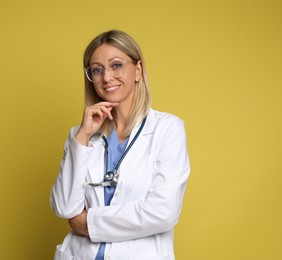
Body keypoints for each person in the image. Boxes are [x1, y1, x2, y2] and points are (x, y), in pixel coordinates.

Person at [50, 29, 190, 260]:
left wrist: (88, 224)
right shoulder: (80, 135)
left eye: (116, 65)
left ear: (137, 70)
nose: (106, 78)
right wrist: (83, 137)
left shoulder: (167, 129)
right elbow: (64, 207)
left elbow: (163, 213)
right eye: (97, 70)